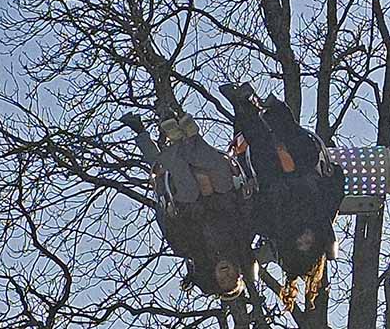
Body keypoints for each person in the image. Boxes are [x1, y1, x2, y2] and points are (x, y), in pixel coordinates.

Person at [219, 83, 345, 309]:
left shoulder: (276, 228)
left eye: (300, 243)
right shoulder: (321, 221)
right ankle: (270, 108)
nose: (303, 238)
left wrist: (250, 197)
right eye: (309, 242)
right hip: (305, 172)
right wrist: (335, 175)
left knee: (263, 153)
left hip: (272, 180)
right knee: (296, 147)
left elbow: (257, 216)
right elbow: (333, 195)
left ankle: (243, 105)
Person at [119, 111, 255, 299]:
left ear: (214, 277)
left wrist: (168, 210)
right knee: (220, 178)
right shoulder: (242, 244)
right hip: (223, 198)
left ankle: (170, 139)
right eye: (232, 276)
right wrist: (244, 195)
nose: (226, 273)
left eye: (223, 279)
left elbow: (171, 226)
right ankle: (191, 138)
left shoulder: (192, 251)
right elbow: (246, 215)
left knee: (185, 184)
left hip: (191, 204)